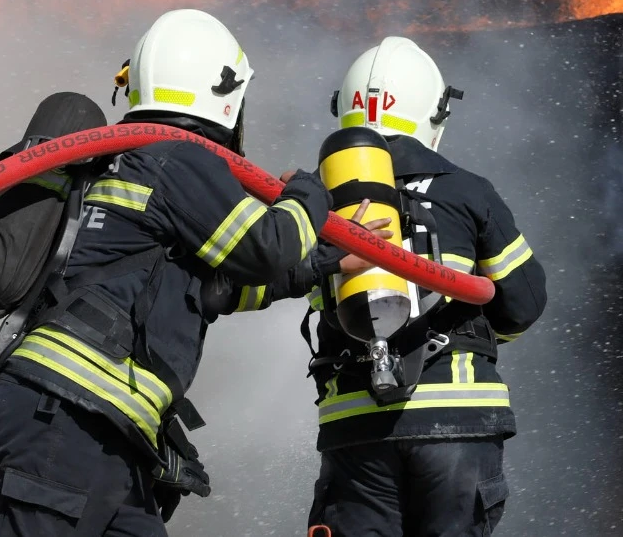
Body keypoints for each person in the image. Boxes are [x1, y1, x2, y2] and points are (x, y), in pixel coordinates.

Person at [0, 8, 332, 537]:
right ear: (226, 94)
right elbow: (269, 248)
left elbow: (217, 288)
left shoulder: (118, 157)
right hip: (66, 420)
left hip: (96, 427)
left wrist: (328, 262)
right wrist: (309, 193)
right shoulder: (177, 159)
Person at [210, 35, 547, 537]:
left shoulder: (312, 201)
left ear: (342, 110)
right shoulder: (467, 190)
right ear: (433, 114)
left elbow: (246, 282)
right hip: (456, 426)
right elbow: (522, 304)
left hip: (357, 425)